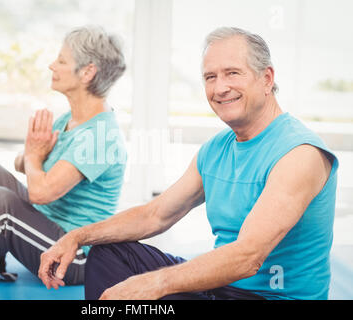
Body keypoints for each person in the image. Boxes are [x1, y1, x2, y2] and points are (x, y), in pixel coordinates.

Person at [38, 27, 338, 300]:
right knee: (109, 253)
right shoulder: (216, 149)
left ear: (267, 79)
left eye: (233, 73)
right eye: (211, 77)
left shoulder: (299, 153)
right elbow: (155, 215)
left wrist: (153, 285)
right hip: (222, 289)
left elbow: (248, 256)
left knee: (158, 294)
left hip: (269, 297)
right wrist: (77, 237)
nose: (220, 88)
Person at [0, 25, 127, 288]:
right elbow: (22, 163)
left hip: (74, 257)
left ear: (88, 72)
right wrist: (32, 155)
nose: (51, 66)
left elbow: (41, 192)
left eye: (62, 60)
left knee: (1, 204)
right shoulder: (69, 120)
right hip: (46, 231)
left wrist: (33, 156)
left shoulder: (100, 135)